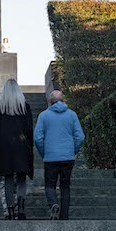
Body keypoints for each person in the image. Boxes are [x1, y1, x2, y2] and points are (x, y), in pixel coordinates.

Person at [34, 90, 85, 220]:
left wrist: (43, 152)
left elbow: (37, 138)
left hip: (50, 157)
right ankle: (64, 216)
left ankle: (53, 204)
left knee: (50, 185)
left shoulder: (44, 116)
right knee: (65, 187)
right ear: (63, 100)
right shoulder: (72, 115)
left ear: (49, 102)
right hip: (67, 157)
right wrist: (73, 150)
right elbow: (80, 137)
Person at [0, 80, 34, 220]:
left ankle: (10, 210)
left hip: (4, 146)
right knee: (21, 177)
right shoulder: (25, 106)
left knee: (8, 177)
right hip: (21, 145)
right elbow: (29, 129)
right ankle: (21, 207)